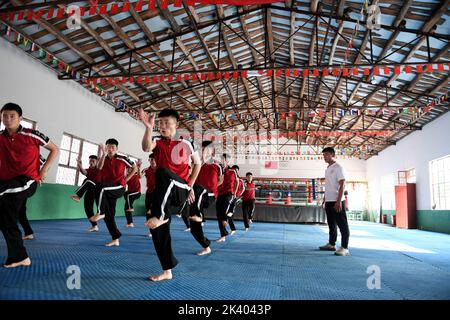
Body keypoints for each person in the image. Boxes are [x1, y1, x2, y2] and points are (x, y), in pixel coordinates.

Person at [139, 107, 201, 281]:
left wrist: (190, 186)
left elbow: (198, 164)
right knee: (158, 231)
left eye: (167, 123)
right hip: (163, 192)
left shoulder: (186, 143)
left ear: (176, 125)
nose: (163, 126)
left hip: (180, 189)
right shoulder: (157, 141)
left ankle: (161, 214)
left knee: (163, 172)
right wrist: (148, 127)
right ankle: (167, 270)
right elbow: (145, 148)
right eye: (161, 123)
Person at [0, 103, 59, 268]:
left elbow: (54, 149)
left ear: (20, 118)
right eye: (5, 115)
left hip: (27, 180)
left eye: (12, 116)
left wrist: (44, 171)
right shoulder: (0, 137)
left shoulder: (32, 134)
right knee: (6, 219)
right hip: (6, 183)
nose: (8, 119)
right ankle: (19, 257)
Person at [90, 139, 137, 247]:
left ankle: (100, 212)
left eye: (113, 148)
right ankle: (115, 238)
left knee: (100, 187)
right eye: (108, 147)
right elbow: (99, 167)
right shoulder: (104, 158)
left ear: (116, 149)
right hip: (108, 190)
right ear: (106, 148)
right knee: (109, 216)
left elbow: (134, 167)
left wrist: (126, 179)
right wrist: (102, 154)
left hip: (119, 187)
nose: (110, 150)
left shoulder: (122, 158)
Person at [188, 141, 223, 256]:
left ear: (212, 151)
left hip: (210, 195)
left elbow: (221, 180)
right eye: (202, 149)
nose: (204, 152)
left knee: (199, 188)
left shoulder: (217, 165)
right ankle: (206, 246)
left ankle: (198, 215)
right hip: (197, 196)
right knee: (193, 226)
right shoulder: (197, 164)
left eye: (207, 149)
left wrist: (212, 188)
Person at [319, 147, 350, 256]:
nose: (324, 157)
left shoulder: (338, 168)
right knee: (331, 224)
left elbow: (342, 184)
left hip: (337, 201)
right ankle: (332, 244)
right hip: (329, 200)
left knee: (342, 224)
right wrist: (324, 199)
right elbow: (329, 186)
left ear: (332, 154)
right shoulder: (328, 168)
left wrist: (338, 201)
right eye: (323, 155)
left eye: (326, 154)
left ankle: (345, 247)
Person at [70, 155, 101, 232]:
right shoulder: (89, 170)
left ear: (97, 162)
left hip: (98, 190)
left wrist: (103, 153)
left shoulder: (99, 169)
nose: (91, 162)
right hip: (90, 190)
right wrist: (80, 165)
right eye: (90, 160)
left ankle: (79, 196)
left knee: (87, 180)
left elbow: (100, 163)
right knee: (87, 208)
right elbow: (84, 172)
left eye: (93, 161)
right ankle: (94, 226)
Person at [19, 155, 46, 240]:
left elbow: (44, 161)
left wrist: (41, 174)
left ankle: (28, 233)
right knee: (20, 209)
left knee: (19, 209)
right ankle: (28, 232)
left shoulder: (33, 153)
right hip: (18, 181)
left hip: (26, 182)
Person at [215, 154, 238, 242]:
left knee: (224, 210)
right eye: (221, 159)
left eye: (224, 160)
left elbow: (237, 182)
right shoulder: (218, 170)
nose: (222, 161)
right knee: (218, 215)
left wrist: (235, 193)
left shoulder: (233, 171)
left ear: (228, 161)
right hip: (219, 194)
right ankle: (223, 235)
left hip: (229, 194)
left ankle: (225, 219)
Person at [124, 160, 142, 228]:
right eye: (127, 169)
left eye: (130, 168)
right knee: (126, 207)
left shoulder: (136, 173)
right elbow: (124, 183)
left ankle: (130, 207)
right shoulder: (127, 177)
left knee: (128, 196)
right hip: (130, 193)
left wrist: (138, 167)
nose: (128, 170)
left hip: (137, 192)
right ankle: (130, 223)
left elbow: (140, 176)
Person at [142, 154, 157, 238]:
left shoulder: (160, 169)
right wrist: (138, 166)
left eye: (153, 159)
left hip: (158, 193)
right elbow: (140, 176)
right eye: (150, 159)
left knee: (156, 212)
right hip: (149, 193)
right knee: (148, 212)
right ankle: (151, 231)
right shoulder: (147, 170)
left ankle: (157, 228)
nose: (152, 161)